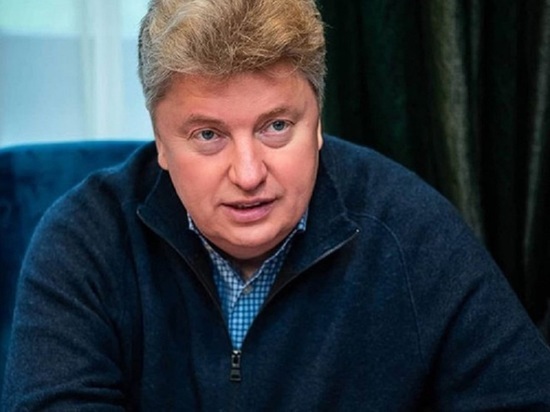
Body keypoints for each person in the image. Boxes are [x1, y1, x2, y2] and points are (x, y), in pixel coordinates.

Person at [2, 0, 550, 410]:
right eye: (208, 135)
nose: (248, 175)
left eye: (277, 126)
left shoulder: (411, 231)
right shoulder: (84, 240)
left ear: (318, 122)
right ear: (160, 142)